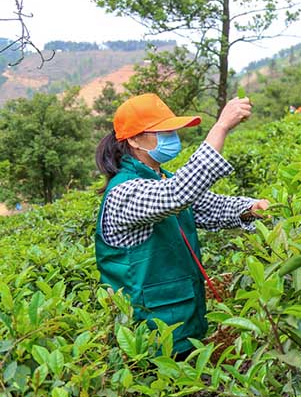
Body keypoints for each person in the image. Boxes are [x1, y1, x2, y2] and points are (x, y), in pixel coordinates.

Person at [94, 93, 269, 359]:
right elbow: (177, 194)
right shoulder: (124, 192)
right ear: (134, 140)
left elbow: (212, 207)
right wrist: (221, 127)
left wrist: (252, 209)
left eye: (172, 130)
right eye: (163, 132)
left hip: (183, 318)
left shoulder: (161, 178)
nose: (172, 137)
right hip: (150, 332)